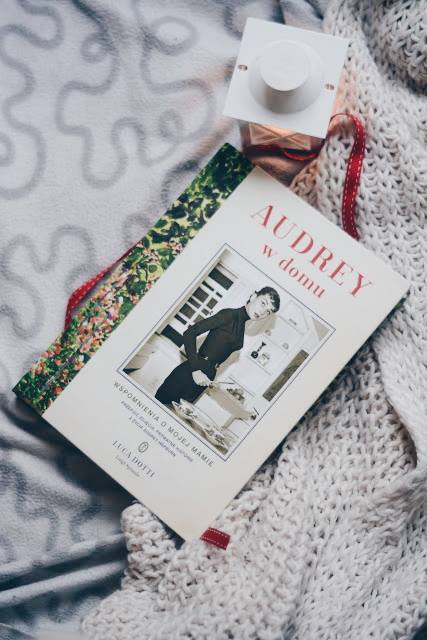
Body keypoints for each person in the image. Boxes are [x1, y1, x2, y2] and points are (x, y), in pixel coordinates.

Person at [155, 287, 280, 407]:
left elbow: (216, 354)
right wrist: (196, 370)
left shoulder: (241, 326)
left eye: (268, 311)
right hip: (188, 374)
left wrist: (211, 379)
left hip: (204, 380)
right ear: (253, 296)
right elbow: (189, 333)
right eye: (263, 303)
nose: (263, 312)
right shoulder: (229, 315)